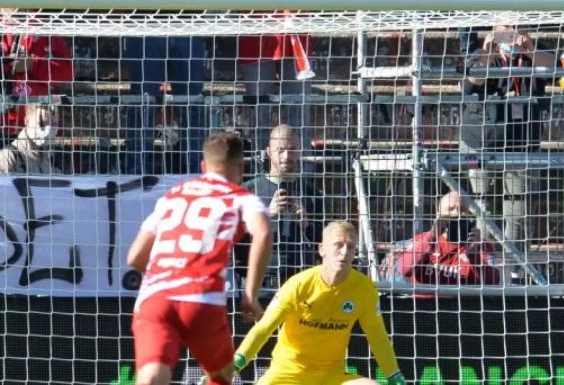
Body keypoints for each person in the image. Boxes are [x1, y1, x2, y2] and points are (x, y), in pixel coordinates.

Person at [127, 132, 273, 385]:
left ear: (203, 166)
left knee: (152, 375)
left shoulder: (173, 196)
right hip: (201, 298)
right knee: (221, 375)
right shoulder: (241, 198)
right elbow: (263, 232)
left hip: (156, 298)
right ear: (241, 168)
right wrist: (250, 294)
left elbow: (135, 256)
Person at [228, 221, 407, 385]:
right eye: (338, 245)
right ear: (322, 249)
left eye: (350, 247)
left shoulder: (364, 289)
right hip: (287, 373)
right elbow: (264, 328)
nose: (344, 252)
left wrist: (394, 375)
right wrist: (236, 363)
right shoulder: (299, 284)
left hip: (331, 376)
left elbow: (377, 336)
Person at [118, 0, 215, 174]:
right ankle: (137, 173)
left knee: (191, 102)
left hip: (187, 26)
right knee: (144, 102)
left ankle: (195, 171)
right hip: (146, 27)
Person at [461, 26, 553, 269]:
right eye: (505, 30)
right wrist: (489, 53)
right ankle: (481, 265)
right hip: (480, 141)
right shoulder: (480, 53)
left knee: (517, 208)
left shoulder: (533, 53)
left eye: (515, 29)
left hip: (521, 142)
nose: (510, 35)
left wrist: (530, 49)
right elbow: (472, 80)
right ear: (494, 31)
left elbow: (555, 70)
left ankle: (516, 267)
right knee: (482, 205)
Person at [226, 0, 316, 154]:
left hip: (294, 41)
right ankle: (261, 170)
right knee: (259, 113)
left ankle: (301, 173)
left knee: (298, 111)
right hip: (254, 41)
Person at [239, 124, 324, 295]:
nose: (287, 156)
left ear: (299, 151)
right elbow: (235, 241)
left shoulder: (312, 194)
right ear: (269, 151)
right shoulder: (248, 191)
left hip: (301, 281)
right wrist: (266, 216)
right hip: (260, 283)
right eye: (281, 150)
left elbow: (323, 244)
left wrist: (306, 224)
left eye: (292, 150)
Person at [0, 0, 73, 141]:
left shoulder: (41, 26)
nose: (16, 3)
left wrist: (34, 64)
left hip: (34, 121)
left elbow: (68, 72)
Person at [382, 191, 501, 286]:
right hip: (423, 308)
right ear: (438, 214)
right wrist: (432, 238)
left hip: (463, 309)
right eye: (450, 209)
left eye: (462, 210)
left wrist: (474, 256)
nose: (456, 214)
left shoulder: (480, 246)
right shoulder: (421, 240)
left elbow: (493, 283)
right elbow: (405, 270)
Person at [0, 104, 60, 174]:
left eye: (54, 124)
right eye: (42, 124)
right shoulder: (7, 157)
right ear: (27, 121)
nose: (49, 130)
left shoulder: (48, 159)